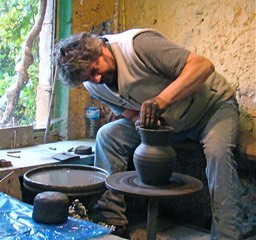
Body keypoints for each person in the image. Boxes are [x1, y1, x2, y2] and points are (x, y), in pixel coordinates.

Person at [54, 28, 244, 240]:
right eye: (88, 77)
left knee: (219, 154)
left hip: (211, 108)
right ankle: (111, 221)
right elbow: (127, 110)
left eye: (95, 69)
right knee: (108, 135)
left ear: (101, 50)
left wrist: (162, 100)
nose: (96, 78)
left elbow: (203, 66)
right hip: (170, 123)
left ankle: (228, 235)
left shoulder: (138, 46)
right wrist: (140, 122)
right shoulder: (94, 84)